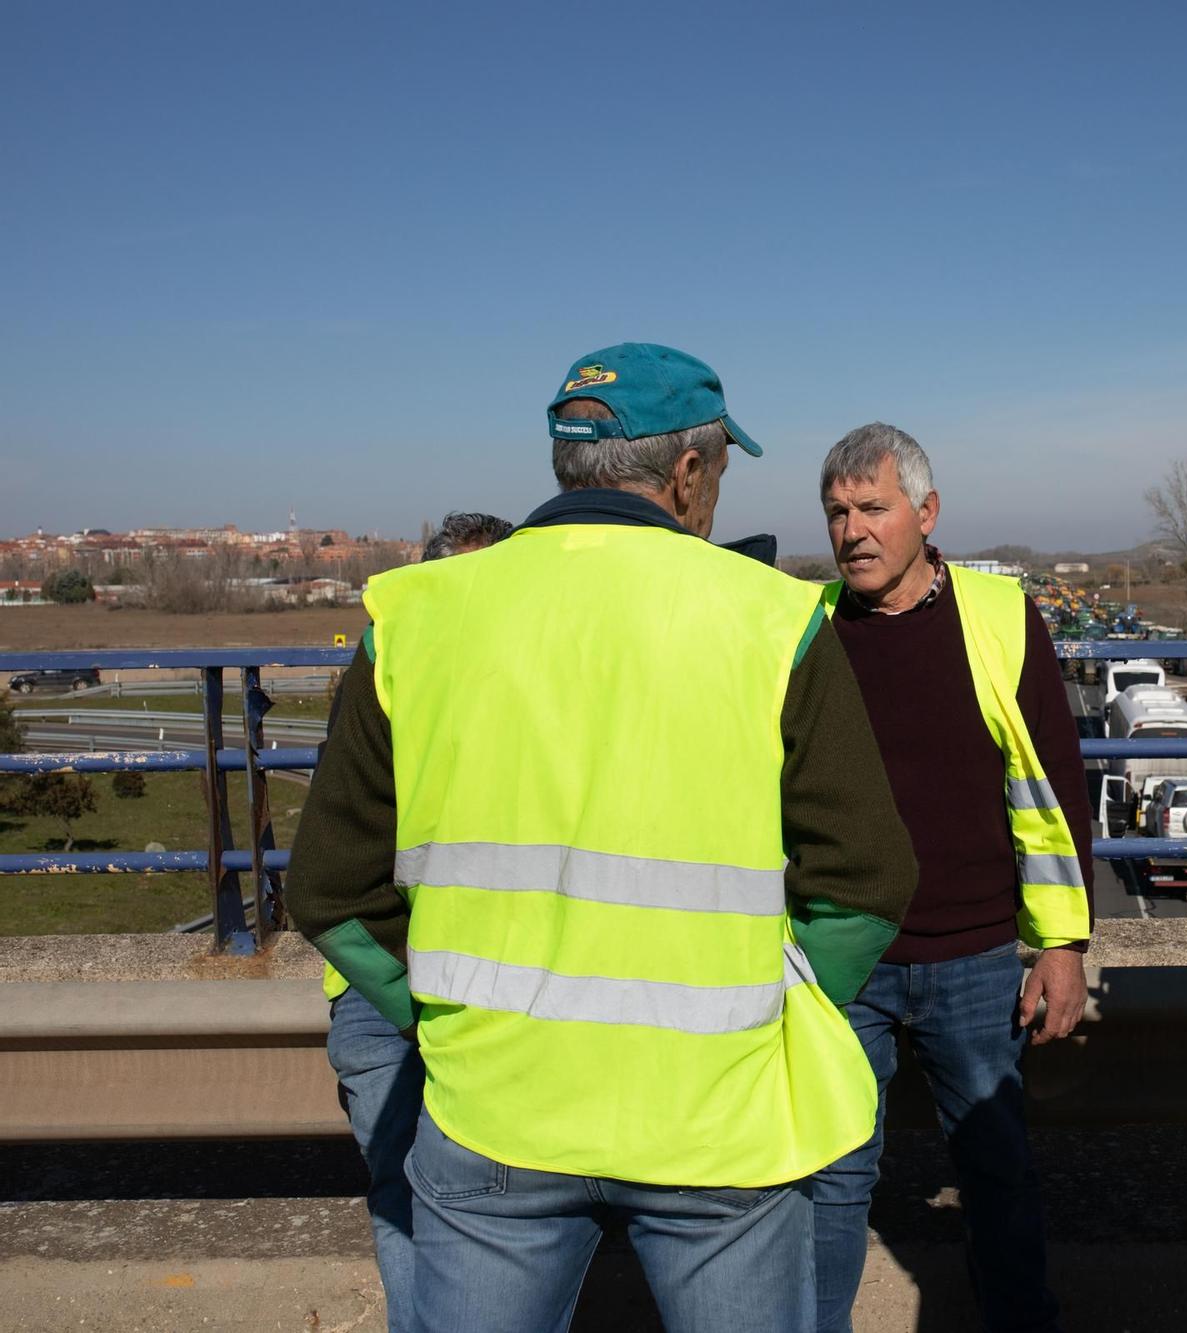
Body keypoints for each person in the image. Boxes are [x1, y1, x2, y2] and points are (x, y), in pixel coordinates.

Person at [288, 344, 918, 1333]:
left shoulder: (415, 619)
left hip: (494, 1108)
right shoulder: (772, 619)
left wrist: (442, 1018)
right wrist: (774, 1010)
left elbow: (328, 888)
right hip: (716, 1120)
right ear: (688, 473)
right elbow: (869, 880)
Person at [809, 423, 1093, 1333]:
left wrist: (1062, 944)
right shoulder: (807, 630)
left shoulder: (1001, 616)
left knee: (996, 1171)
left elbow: (1052, 786)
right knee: (830, 1176)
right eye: (838, 511)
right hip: (842, 959)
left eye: (874, 508)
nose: (853, 530)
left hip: (973, 959)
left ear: (926, 514)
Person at [319, 510, 514, 1333]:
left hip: (404, 979)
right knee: (447, 1204)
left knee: (459, 1206)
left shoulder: (389, 668)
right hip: (402, 987)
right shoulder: (491, 696)